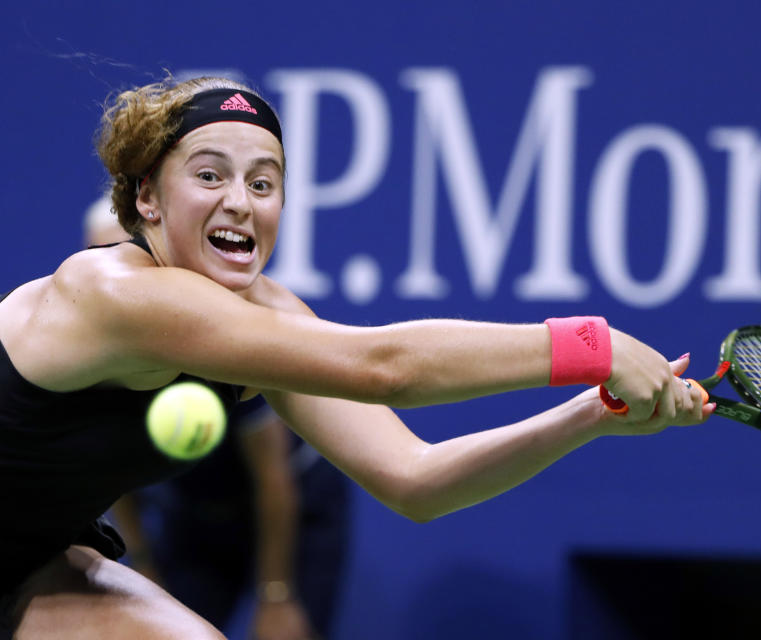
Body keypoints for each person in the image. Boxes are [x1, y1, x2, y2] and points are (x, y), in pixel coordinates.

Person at [0, 75, 714, 639]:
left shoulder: (267, 321)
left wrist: (588, 416)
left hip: (29, 560)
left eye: (263, 182)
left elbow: (416, 480)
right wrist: (594, 345)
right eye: (210, 176)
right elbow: (388, 367)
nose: (241, 204)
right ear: (148, 199)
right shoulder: (112, 292)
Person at [85, 197, 348, 640]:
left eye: (124, 257)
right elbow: (113, 475)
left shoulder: (223, 335)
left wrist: (276, 597)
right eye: (98, 260)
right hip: (197, 515)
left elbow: (273, 478)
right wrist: (144, 564)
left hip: (292, 506)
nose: (112, 279)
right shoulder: (94, 350)